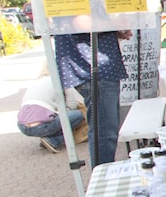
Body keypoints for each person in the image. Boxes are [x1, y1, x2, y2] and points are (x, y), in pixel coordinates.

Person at [54, 29, 131, 167]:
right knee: (104, 133)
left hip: (95, 66)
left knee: (105, 131)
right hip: (93, 67)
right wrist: (114, 24)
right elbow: (81, 22)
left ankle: (103, 177)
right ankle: (103, 182)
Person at [17, 76, 85, 153]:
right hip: (40, 126)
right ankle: (53, 140)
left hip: (22, 126)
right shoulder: (65, 81)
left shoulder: (41, 81)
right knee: (78, 115)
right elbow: (72, 106)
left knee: (52, 118)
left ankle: (47, 138)